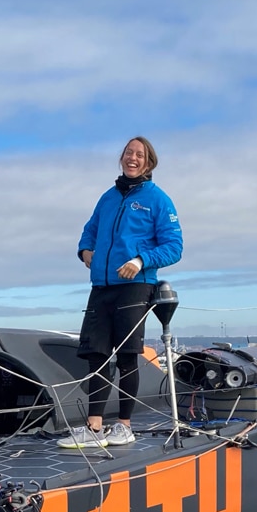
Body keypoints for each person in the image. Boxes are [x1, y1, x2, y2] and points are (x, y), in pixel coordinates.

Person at [59, 136, 183, 449]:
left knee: (128, 356)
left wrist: (141, 260)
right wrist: (85, 250)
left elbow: (174, 247)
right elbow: (90, 229)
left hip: (135, 285)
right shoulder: (108, 197)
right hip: (101, 286)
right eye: (129, 152)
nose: (133, 158)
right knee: (96, 356)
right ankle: (94, 426)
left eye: (139, 154)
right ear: (122, 158)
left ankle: (124, 426)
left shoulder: (158, 200)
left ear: (149, 161)